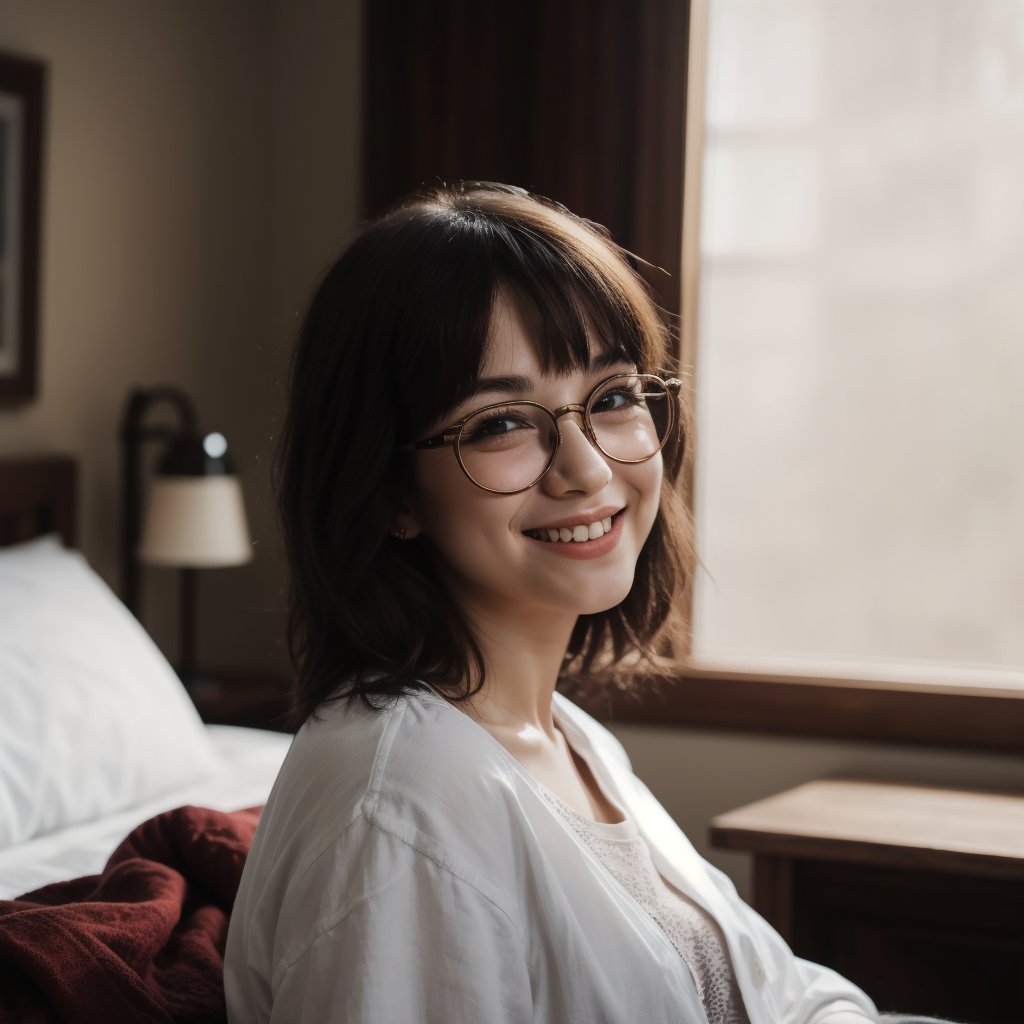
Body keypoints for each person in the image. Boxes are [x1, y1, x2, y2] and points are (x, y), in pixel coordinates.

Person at [224, 182, 899, 1023]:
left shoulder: (567, 740)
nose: (586, 470)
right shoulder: (400, 814)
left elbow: (784, 993)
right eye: (502, 424)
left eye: (613, 398)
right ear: (390, 490)